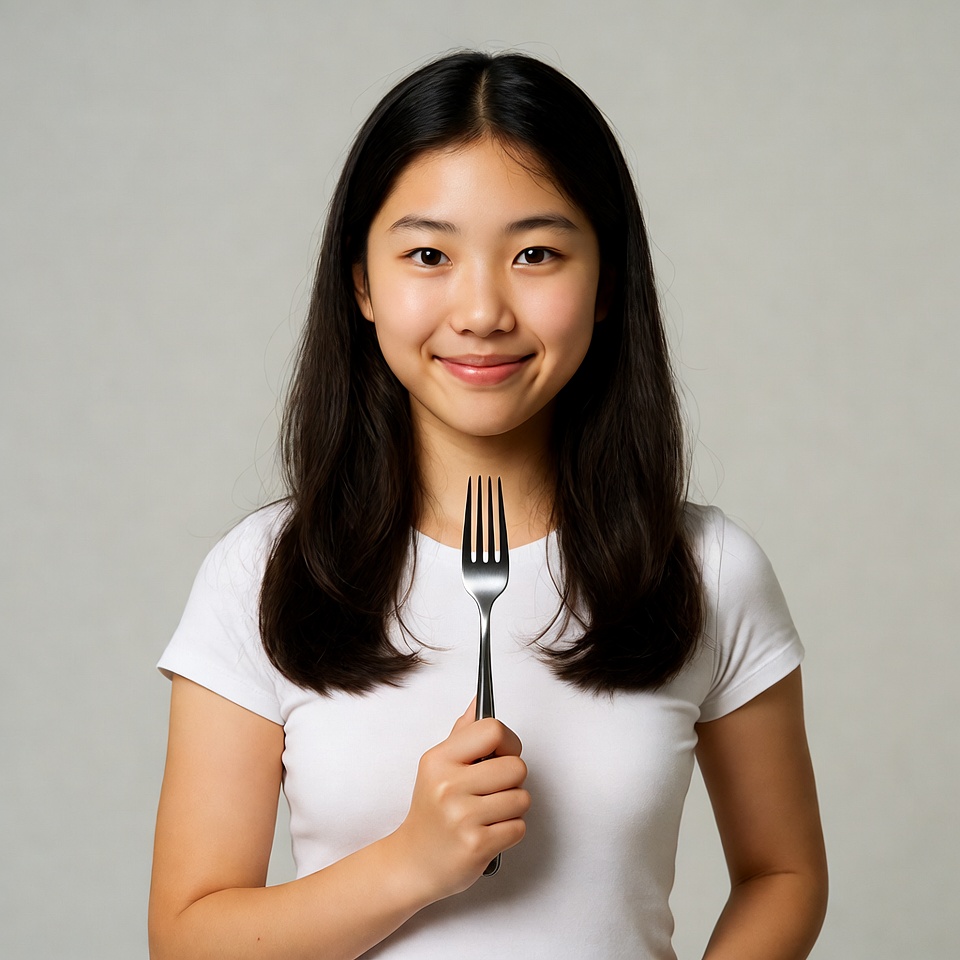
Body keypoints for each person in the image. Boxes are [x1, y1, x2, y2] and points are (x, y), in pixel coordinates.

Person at [149, 51, 827, 959]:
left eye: (536, 253)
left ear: (607, 279)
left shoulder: (705, 569)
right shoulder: (262, 573)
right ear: (361, 282)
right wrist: (412, 863)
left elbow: (785, 875)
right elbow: (187, 939)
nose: (481, 310)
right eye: (428, 254)